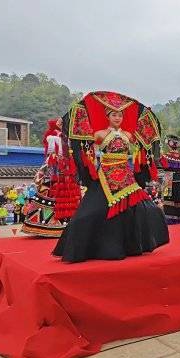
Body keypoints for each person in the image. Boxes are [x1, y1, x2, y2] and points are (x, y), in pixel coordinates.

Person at [52, 91, 169, 262]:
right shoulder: (100, 134)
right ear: (108, 116)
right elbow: (79, 136)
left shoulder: (128, 135)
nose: (117, 118)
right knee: (90, 212)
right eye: (114, 114)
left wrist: (149, 116)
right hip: (105, 175)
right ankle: (89, 246)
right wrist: (65, 122)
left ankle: (133, 245)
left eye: (120, 115)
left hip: (126, 176)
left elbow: (146, 137)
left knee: (147, 209)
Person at [22, 118, 82, 237]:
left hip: (68, 168)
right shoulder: (52, 135)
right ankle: (47, 226)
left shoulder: (67, 135)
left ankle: (68, 225)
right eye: (58, 122)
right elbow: (51, 153)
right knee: (52, 193)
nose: (60, 123)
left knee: (70, 196)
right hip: (57, 167)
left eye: (62, 121)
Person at [160, 135, 180, 224]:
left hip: (169, 177)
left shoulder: (166, 156)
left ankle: (170, 219)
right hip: (179, 178)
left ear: (169, 144)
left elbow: (164, 165)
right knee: (179, 198)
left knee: (168, 199)